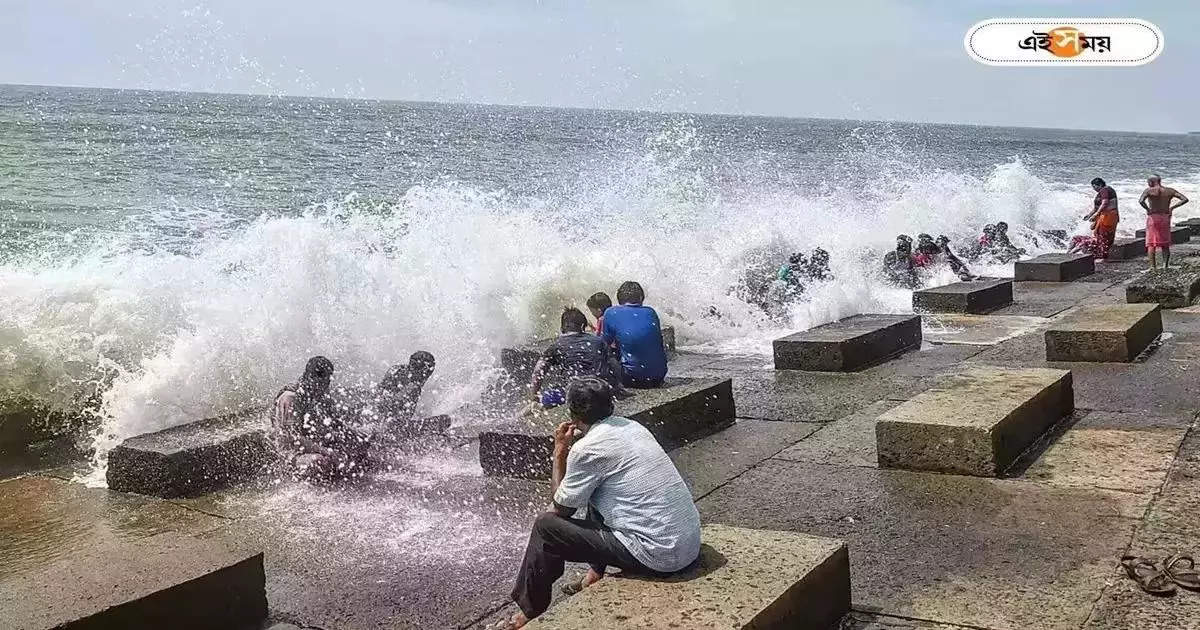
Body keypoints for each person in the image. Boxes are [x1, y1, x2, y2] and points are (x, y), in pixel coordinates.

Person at [493, 378, 701, 629]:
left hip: (659, 556)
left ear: (572, 412)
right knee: (597, 491)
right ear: (610, 405)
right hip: (687, 544)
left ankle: (530, 611)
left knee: (545, 526)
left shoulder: (587, 449)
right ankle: (594, 576)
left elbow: (561, 508)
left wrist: (560, 452)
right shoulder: (633, 427)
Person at [273, 356, 371, 482]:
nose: (325, 386)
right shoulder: (290, 398)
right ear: (309, 377)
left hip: (313, 444)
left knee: (360, 445)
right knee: (320, 462)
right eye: (322, 382)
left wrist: (358, 435)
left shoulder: (321, 393)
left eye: (327, 381)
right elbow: (292, 438)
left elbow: (337, 425)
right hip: (289, 453)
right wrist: (327, 452)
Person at [531, 308, 621, 408]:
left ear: (562, 328)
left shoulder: (556, 345)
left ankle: (515, 419)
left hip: (574, 393)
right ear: (583, 326)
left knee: (534, 406)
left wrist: (535, 396)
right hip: (600, 390)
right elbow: (614, 364)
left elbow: (538, 371)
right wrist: (618, 386)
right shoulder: (598, 341)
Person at [602, 282, 668, 388]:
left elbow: (603, 345)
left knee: (606, 355)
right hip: (659, 376)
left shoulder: (611, 312)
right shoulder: (651, 312)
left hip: (631, 378)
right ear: (641, 297)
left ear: (619, 298)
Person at [372, 351, 447, 438]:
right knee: (445, 420)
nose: (427, 376)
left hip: (376, 415)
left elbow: (380, 395)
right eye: (428, 372)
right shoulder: (414, 386)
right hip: (390, 427)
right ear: (424, 371)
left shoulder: (396, 369)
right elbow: (392, 404)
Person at [1139, 175, 1190, 269]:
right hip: (1165, 217)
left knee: (1151, 243)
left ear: (1151, 182)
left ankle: (1152, 267)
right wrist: (1172, 207)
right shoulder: (1169, 190)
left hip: (1153, 217)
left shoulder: (1148, 190)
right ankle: (1165, 265)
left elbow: (1141, 201)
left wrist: (1148, 209)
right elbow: (1185, 199)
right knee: (1165, 243)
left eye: (1148, 182)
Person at [1083, 177, 1119, 260]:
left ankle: (1103, 255)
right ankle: (1102, 254)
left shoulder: (1105, 190)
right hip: (1106, 215)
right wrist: (1089, 215)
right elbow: (1097, 207)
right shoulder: (1103, 191)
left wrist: (1096, 214)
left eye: (1094, 187)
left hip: (1108, 216)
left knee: (1104, 236)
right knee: (1101, 235)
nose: (1094, 189)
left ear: (1099, 185)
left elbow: (1105, 203)